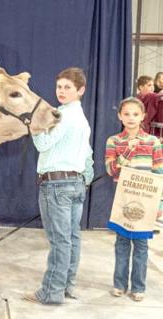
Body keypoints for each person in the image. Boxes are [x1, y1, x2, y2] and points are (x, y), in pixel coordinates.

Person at [24, 67, 94, 305]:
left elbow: (44, 145)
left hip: (56, 185)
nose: (62, 91)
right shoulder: (82, 118)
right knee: (72, 237)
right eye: (59, 87)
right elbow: (87, 153)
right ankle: (66, 285)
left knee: (60, 240)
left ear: (80, 90)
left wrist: (33, 127)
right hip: (75, 182)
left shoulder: (62, 115)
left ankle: (51, 292)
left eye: (68, 88)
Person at [105, 97, 163, 302]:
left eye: (135, 114)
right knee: (122, 242)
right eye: (127, 114)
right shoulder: (114, 141)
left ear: (143, 117)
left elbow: (159, 172)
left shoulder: (153, 142)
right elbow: (111, 169)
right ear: (120, 116)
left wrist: (159, 203)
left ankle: (138, 286)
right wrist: (128, 148)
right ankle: (119, 284)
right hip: (123, 199)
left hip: (146, 200)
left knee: (141, 245)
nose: (131, 118)